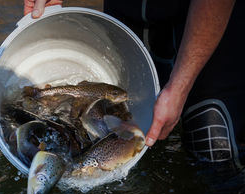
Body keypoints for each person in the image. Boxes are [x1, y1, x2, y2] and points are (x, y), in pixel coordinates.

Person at [24, 0, 244, 168]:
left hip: (205, 21)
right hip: (125, 14)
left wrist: (180, 87)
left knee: (214, 152)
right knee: (130, 145)